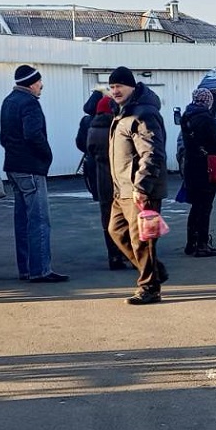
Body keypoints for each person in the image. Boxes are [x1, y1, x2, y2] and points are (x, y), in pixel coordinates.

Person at [107, 66, 169, 304]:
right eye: (112, 87)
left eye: (119, 86)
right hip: (120, 189)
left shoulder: (142, 114)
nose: (115, 91)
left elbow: (152, 153)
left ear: (132, 86)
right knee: (116, 231)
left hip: (139, 190)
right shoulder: (122, 113)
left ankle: (149, 288)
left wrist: (141, 187)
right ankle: (155, 271)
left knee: (142, 240)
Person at [0, 64, 67, 283]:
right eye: (39, 82)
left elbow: (3, 136)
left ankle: (27, 268)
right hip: (30, 167)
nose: (41, 85)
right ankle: (40, 270)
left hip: (14, 166)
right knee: (38, 220)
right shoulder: (30, 103)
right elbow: (33, 134)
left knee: (22, 220)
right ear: (31, 83)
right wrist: (46, 155)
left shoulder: (8, 101)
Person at [180, 88, 216, 257]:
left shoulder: (187, 116)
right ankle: (202, 244)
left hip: (191, 167)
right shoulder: (207, 119)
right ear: (208, 101)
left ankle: (191, 243)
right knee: (205, 207)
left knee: (196, 206)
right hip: (206, 168)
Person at [86, 95, 126, 270]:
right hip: (121, 178)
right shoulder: (118, 126)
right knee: (125, 217)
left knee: (107, 217)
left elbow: (87, 148)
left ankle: (113, 256)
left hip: (102, 178)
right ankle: (127, 253)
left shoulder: (92, 128)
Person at [75, 88, 104, 201]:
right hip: (108, 162)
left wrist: (89, 151)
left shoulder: (85, 121)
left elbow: (79, 143)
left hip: (91, 161)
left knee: (96, 195)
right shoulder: (112, 119)